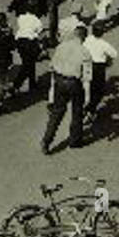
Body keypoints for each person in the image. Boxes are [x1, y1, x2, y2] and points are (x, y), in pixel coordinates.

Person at [41, 27, 92, 155]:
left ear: (74, 35)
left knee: (57, 112)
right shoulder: (85, 52)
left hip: (59, 81)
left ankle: (46, 140)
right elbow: (86, 78)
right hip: (74, 83)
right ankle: (75, 141)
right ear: (84, 37)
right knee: (77, 112)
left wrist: (51, 93)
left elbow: (52, 69)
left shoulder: (61, 47)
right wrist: (87, 97)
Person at [81, 18, 119, 121]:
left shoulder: (87, 40)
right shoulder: (103, 44)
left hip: (87, 65)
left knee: (86, 87)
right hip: (99, 68)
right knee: (98, 90)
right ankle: (90, 110)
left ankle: (84, 107)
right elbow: (114, 54)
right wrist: (107, 59)